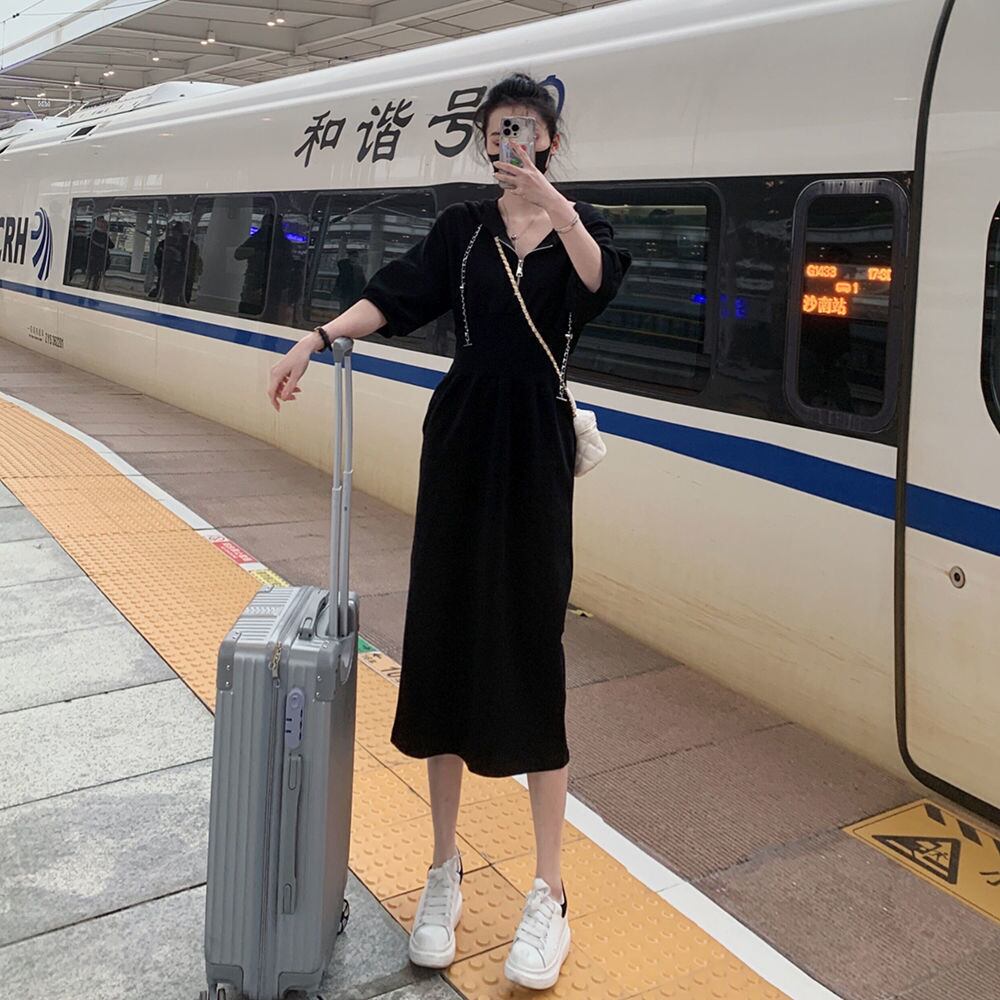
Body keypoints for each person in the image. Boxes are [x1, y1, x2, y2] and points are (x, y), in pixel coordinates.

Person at [267, 72, 631, 990]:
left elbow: (597, 284)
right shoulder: (462, 229)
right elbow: (396, 297)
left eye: (527, 129)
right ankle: (443, 870)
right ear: (485, 141)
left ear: (549, 140)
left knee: (530, 647)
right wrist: (317, 337)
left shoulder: (583, 229)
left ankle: (549, 890)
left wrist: (555, 206)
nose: (512, 142)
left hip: (534, 451)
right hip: (462, 438)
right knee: (443, 639)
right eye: (499, 130)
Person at [85, 216, 115, 290]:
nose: (104, 224)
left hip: (95, 260)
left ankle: (89, 286)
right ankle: (92, 287)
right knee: (95, 276)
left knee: (92, 275)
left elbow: (111, 245)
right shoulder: (102, 235)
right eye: (102, 222)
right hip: (98, 260)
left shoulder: (93, 234)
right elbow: (111, 245)